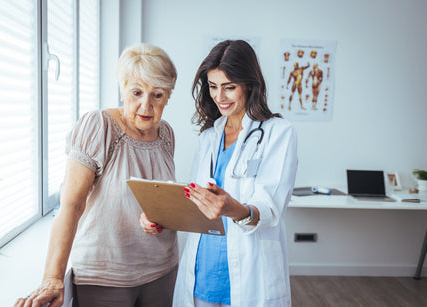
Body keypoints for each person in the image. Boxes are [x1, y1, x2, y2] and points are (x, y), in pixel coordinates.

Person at [15, 43, 179, 307]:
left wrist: (162, 215)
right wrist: (52, 277)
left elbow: (154, 197)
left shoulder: (167, 134)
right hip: (105, 276)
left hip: (161, 270)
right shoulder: (100, 126)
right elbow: (72, 204)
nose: (146, 105)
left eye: (157, 95)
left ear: (168, 96)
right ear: (122, 89)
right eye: (136, 92)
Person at [159, 39, 297, 306]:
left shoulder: (278, 133)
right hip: (203, 269)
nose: (219, 97)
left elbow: (270, 210)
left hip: (249, 272)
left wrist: (233, 208)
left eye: (229, 87)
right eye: (212, 87)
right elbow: (197, 201)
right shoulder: (209, 137)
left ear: (249, 84)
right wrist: (163, 212)